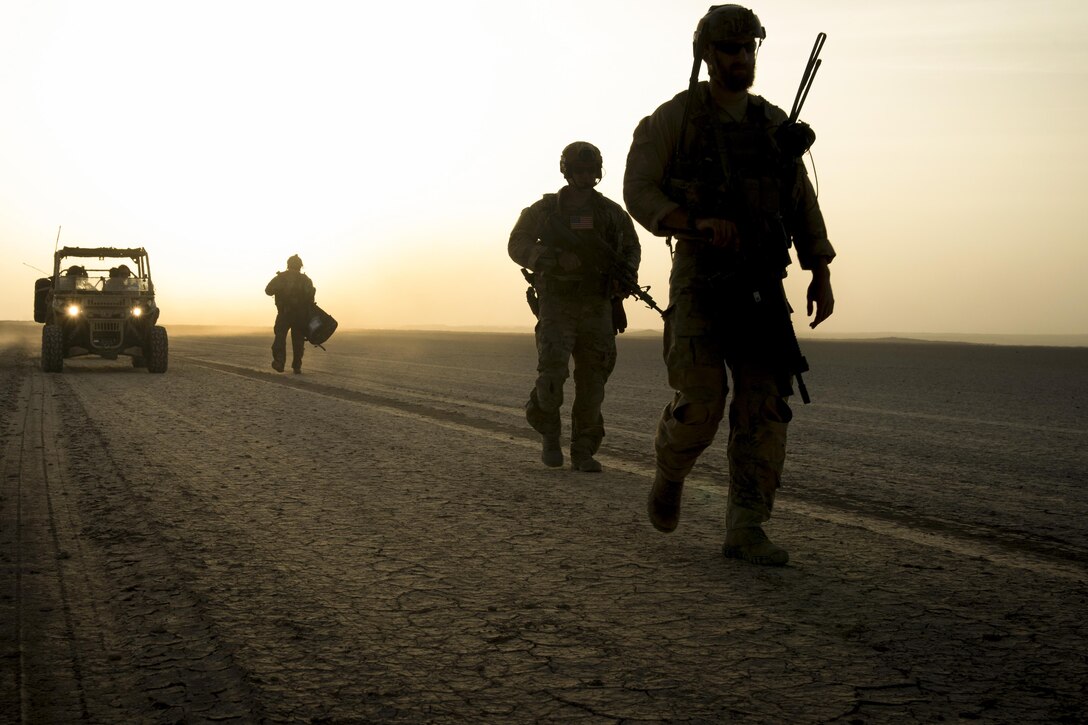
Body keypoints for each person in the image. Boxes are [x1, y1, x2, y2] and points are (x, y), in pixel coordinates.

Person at [623, 4, 836, 565]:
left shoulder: (772, 125)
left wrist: (820, 268)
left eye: (749, 49)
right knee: (700, 402)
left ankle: (746, 526)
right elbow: (639, 190)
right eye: (729, 50)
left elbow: (799, 200)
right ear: (706, 54)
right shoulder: (674, 120)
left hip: (764, 279)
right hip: (701, 277)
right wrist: (693, 223)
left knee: (765, 407)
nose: (741, 59)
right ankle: (670, 474)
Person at [509, 141, 642, 472]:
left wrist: (622, 282)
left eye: (590, 171)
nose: (584, 177)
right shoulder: (545, 212)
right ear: (566, 171)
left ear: (598, 172)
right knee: (552, 377)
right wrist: (552, 258)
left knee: (593, 382)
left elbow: (630, 250)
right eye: (578, 171)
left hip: (597, 305)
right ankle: (549, 435)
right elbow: (517, 244)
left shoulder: (611, 214)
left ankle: (583, 450)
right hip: (557, 302)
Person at [265, 254, 316, 374]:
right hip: (300, 316)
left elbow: (268, 290)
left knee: (280, 337)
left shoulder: (281, 278)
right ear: (300, 266)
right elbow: (311, 298)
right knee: (298, 341)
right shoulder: (306, 280)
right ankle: (297, 366)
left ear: (288, 265)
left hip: (284, 314)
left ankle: (279, 362)